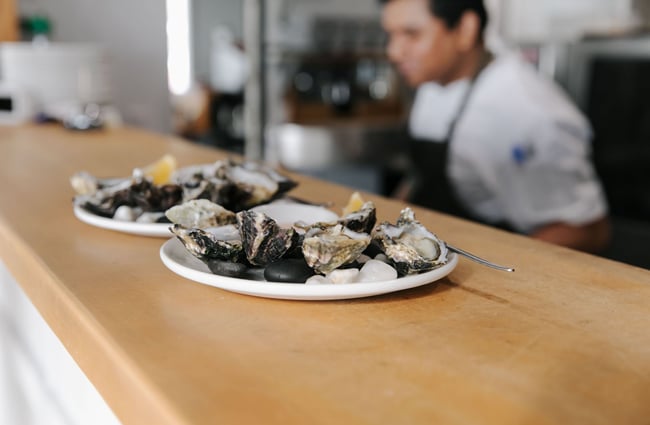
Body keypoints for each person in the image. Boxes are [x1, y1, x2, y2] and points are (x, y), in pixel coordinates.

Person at [380, 0, 611, 253]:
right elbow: (422, 176)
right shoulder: (433, 80)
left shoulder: (525, 111)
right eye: (391, 35)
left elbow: (588, 230)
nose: (394, 51)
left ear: (466, 29)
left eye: (411, 34)